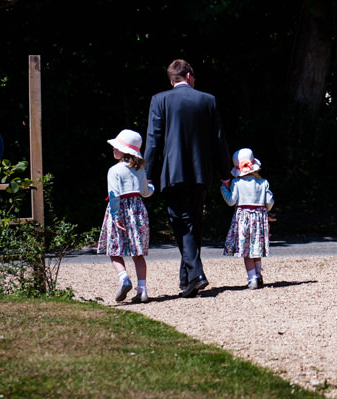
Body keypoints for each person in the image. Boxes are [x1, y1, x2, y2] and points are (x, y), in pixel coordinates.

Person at [145, 58, 232, 297]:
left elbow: (154, 140)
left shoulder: (160, 100)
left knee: (182, 223)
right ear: (189, 76)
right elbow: (218, 140)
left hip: (173, 173)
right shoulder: (207, 100)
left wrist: (147, 176)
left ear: (172, 79)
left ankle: (195, 274)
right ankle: (187, 281)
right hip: (201, 172)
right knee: (194, 222)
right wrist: (226, 174)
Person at [97, 129, 154, 303]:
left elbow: (113, 194)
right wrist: (151, 187)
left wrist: (116, 217)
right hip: (137, 211)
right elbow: (145, 192)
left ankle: (124, 278)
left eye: (117, 147)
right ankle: (142, 291)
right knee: (138, 254)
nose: (113, 149)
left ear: (125, 151)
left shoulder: (114, 170)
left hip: (120, 210)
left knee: (114, 250)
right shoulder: (140, 170)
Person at [220, 148, 274, 289]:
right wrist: (264, 211)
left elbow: (231, 201)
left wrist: (224, 189)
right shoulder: (263, 183)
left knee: (246, 250)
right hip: (259, 217)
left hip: (243, 218)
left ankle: (252, 279)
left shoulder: (237, 184)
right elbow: (270, 201)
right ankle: (258, 274)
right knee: (256, 247)